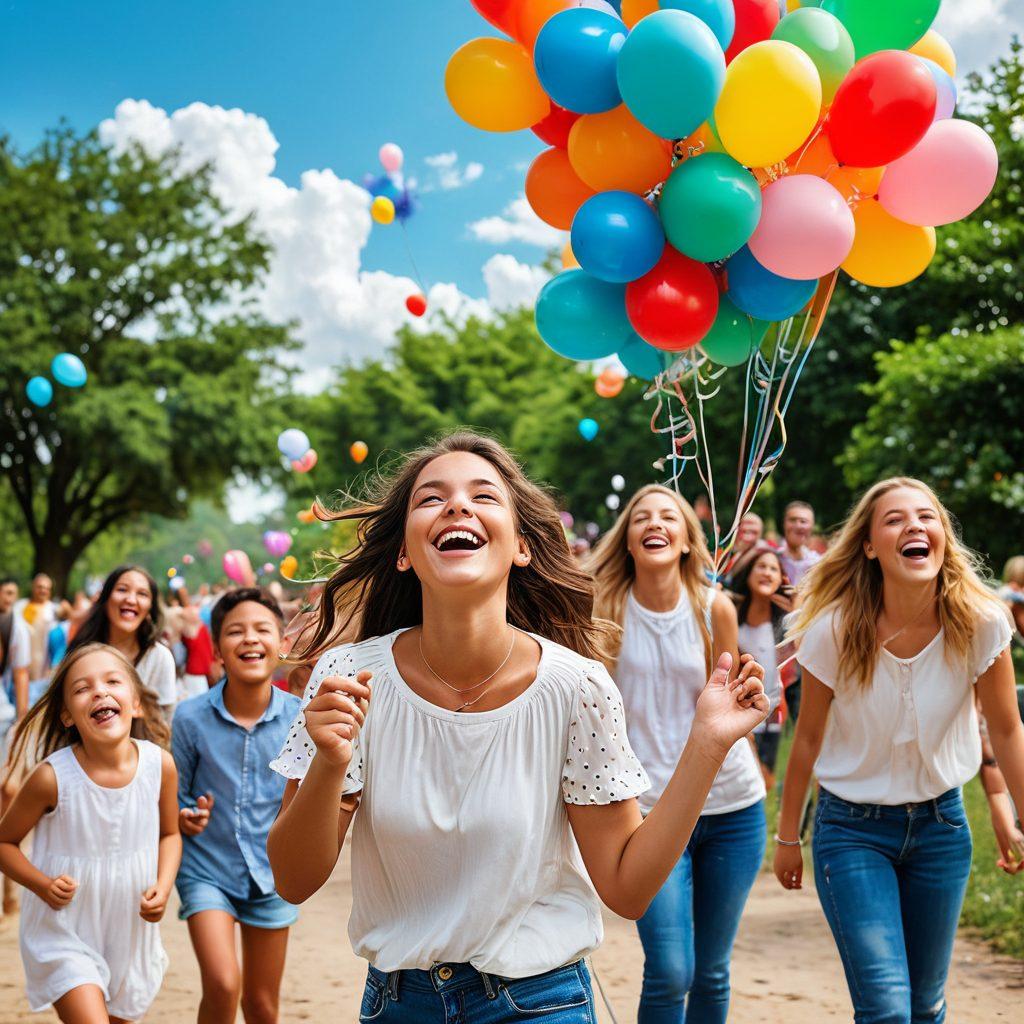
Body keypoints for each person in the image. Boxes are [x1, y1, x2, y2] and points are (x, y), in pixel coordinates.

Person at [266, 432, 767, 1024]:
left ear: (521, 547)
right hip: (399, 1005)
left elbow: (627, 890)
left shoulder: (578, 687)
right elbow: (294, 881)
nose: (457, 506)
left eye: (484, 495)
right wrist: (328, 764)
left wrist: (708, 745)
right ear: (403, 551)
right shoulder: (349, 676)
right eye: (431, 499)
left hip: (539, 1002)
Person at [774, 477, 1024, 1023]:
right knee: (887, 1009)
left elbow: (1005, 730)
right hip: (852, 832)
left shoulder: (981, 623)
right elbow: (808, 739)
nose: (914, 525)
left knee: (926, 1005)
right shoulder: (834, 630)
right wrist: (788, 836)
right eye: (894, 519)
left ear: (942, 535)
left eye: (926, 516)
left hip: (942, 829)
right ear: (868, 545)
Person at [587, 484, 767, 1024]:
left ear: (688, 540)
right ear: (628, 539)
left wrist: (755, 755)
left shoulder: (715, 608)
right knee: (670, 970)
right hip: (649, 812)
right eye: (641, 517)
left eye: (668, 516)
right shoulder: (606, 606)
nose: (653, 523)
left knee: (711, 971)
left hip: (734, 807)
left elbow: (728, 702)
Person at [0, 642, 179, 1022]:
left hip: (130, 929)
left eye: (113, 681)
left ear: (136, 704)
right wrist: (41, 884)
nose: (99, 691)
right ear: (67, 716)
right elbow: (4, 843)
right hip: (63, 929)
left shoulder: (159, 766)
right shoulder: (52, 777)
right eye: (82, 688)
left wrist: (163, 887)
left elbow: (170, 834)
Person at [172, 588, 301, 1024]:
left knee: (263, 1006)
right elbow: (175, 797)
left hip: (273, 876)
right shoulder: (188, 718)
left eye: (262, 629)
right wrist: (186, 814)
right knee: (224, 984)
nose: (249, 639)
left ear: (281, 644)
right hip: (206, 869)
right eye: (235, 631)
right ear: (217, 648)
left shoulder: (300, 718)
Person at [65, 566, 178, 720]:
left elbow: (165, 723)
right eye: (122, 590)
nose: (131, 600)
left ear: (150, 609)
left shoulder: (159, 657)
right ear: (106, 599)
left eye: (142, 594)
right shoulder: (81, 653)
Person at [731, 546, 794, 789]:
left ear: (781, 579)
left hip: (775, 713)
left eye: (773, 569)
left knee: (764, 782)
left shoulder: (786, 622)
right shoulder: (731, 617)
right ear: (748, 573)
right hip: (740, 711)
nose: (767, 573)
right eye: (761, 566)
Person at [13, 574, 68, 706]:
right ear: (33, 587)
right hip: (18, 670)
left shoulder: (54, 609)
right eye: (40, 587)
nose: (43, 590)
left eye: (47, 588)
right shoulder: (20, 607)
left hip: (44, 673)